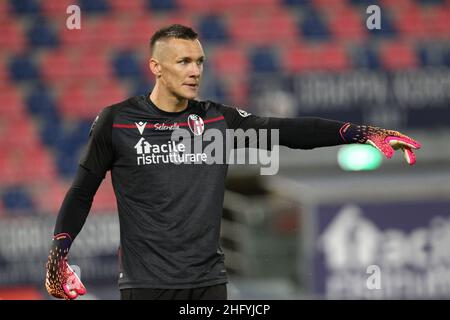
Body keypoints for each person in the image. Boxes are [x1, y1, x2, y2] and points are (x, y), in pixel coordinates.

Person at [44, 24, 421, 300]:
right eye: (184, 61)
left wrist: (363, 132)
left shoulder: (217, 120)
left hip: (210, 285)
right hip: (146, 286)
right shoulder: (117, 121)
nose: (195, 71)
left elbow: (288, 132)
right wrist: (58, 257)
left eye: (200, 61)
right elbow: (81, 192)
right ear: (156, 67)